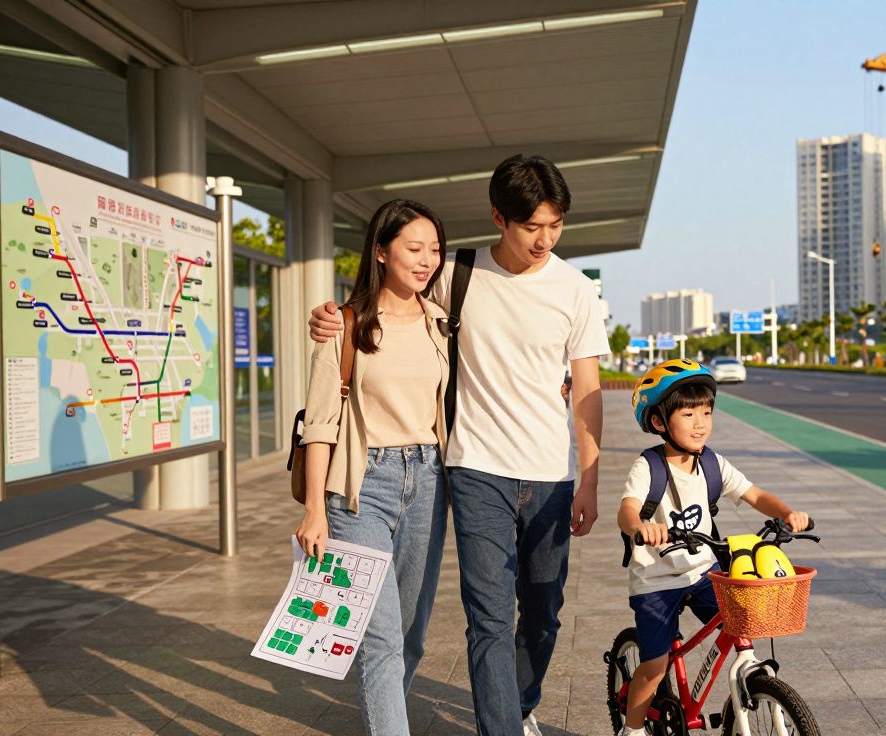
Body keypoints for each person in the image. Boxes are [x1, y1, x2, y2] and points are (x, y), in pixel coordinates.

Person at [308, 155, 608, 736]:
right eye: (530, 227)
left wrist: (590, 478)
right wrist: (328, 317)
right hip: (473, 470)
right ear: (499, 217)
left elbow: (588, 389)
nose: (543, 239)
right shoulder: (455, 273)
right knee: (488, 619)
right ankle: (501, 729)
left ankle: (518, 706)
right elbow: (387, 296)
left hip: (549, 473)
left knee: (543, 616)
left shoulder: (575, 288)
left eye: (555, 226)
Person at [294, 199, 451, 736]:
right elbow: (319, 424)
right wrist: (316, 510)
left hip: (430, 481)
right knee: (380, 637)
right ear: (381, 252)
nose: (426, 260)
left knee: (411, 635)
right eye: (414, 248)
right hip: (362, 488)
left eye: (434, 249)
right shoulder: (343, 325)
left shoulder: (441, 325)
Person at [616, 359, 809, 736]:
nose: (701, 422)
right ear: (659, 422)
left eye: (706, 412)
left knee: (743, 627)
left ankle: (750, 688)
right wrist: (641, 527)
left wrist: (787, 513)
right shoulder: (649, 467)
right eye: (688, 414)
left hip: (703, 572)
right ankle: (633, 728)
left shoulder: (713, 464)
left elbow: (754, 494)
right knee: (655, 666)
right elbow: (626, 509)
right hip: (656, 580)